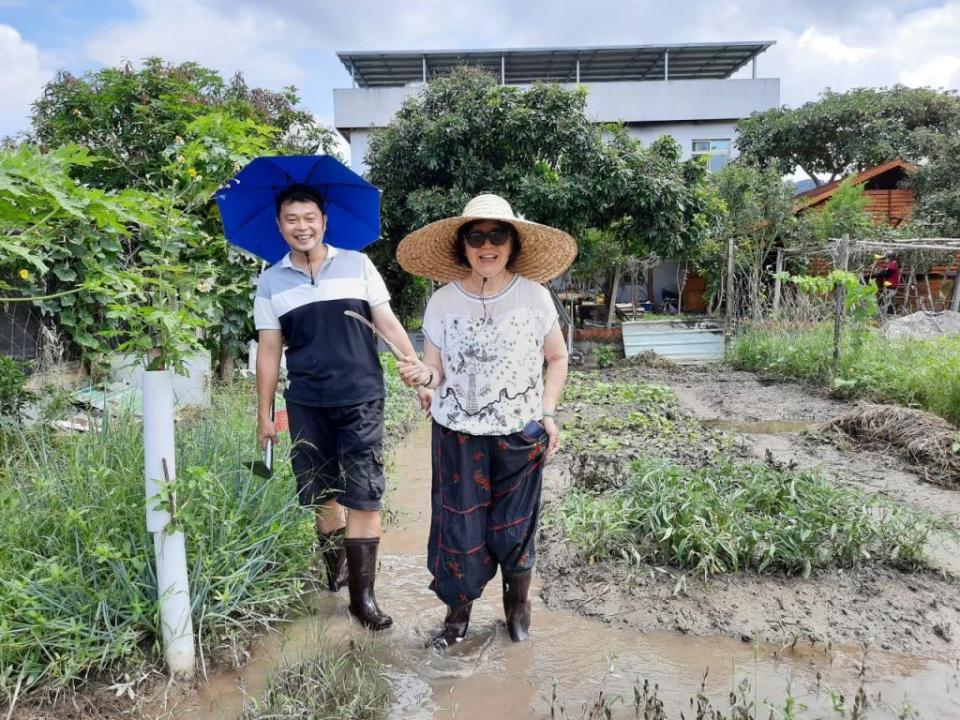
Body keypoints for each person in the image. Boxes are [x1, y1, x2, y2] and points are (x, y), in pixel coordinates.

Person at [393, 193, 575, 648]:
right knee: (460, 531)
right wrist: (423, 376)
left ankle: (518, 614)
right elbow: (436, 371)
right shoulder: (442, 302)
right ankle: (456, 621)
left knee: (515, 530)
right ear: (463, 245)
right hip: (458, 436)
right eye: (477, 236)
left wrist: (548, 411)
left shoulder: (535, 296)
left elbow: (557, 357)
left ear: (512, 243)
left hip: (519, 435)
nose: (487, 246)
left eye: (497, 236)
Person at [254, 183, 427, 631]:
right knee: (323, 497)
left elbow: (386, 322)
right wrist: (264, 414)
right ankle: (337, 574)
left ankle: (363, 600)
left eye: (309, 217)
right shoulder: (271, 280)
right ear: (279, 226)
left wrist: (416, 371)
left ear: (324, 221)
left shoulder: (358, 264)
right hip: (307, 402)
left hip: (362, 397)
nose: (301, 226)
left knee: (365, 494)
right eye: (291, 219)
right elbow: (269, 351)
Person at [875, 250, 900, 315]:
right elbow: (887, 272)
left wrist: (879, 274)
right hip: (890, 285)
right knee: (887, 300)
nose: (886, 259)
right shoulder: (893, 263)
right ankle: (888, 314)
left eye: (887, 257)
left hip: (891, 285)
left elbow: (887, 274)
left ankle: (889, 315)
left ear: (890, 257)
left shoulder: (892, 264)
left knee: (887, 301)